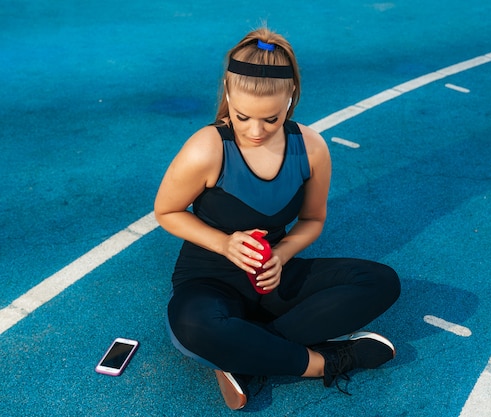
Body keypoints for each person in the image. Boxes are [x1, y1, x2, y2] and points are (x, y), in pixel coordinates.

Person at [154, 27, 401, 410]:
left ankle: (245, 354)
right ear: (227, 91)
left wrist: (282, 255)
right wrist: (224, 243)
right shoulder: (206, 147)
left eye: (270, 119)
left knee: (381, 281)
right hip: (209, 282)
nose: (255, 130)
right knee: (193, 327)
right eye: (242, 116)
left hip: (275, 278)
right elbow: (167, 212)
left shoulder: (311, 148)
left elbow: (313, 220)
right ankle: (327, 361)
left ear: (290, 98)